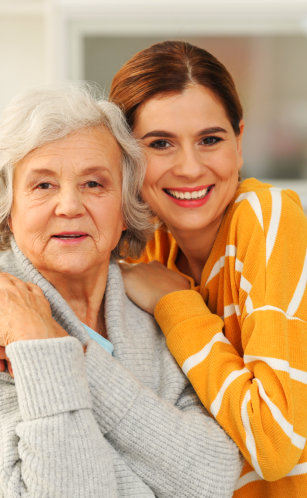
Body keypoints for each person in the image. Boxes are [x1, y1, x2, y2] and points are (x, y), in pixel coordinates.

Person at [0, 83, 241, 498]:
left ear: (126, 209)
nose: (70, 206)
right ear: (8, 209)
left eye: (94, 184)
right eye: (43, 186)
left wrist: (54, 347)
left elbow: (213, 475)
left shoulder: (159, 309)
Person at [110, 40, 307, 497]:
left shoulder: (267, 218)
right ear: (126, 159)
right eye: (160, 143)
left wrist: (175, 303)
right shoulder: (147, 251)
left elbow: (275, 446)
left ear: (239, 143)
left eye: (210, 140)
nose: (190, 167)